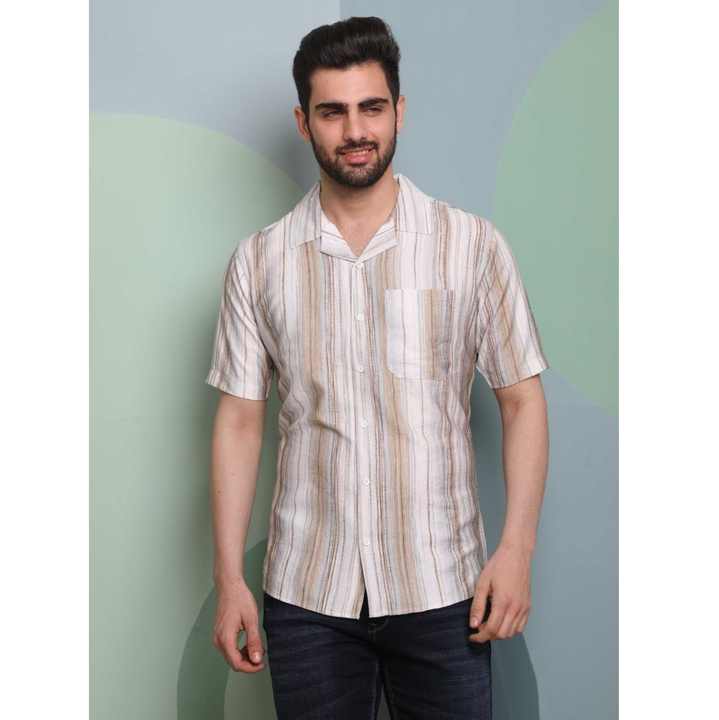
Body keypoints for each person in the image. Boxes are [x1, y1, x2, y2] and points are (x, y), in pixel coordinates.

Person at [206, 15, 549, 720]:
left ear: (399, 111)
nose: (355, 130)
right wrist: (229, 577)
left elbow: (521, 400)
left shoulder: (471, 246)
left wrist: (516, 549)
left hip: (443, 587)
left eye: (371, 107)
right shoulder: (260, 261)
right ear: (304, 122)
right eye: (332, 112)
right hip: (307, 593)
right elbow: (239, 422)